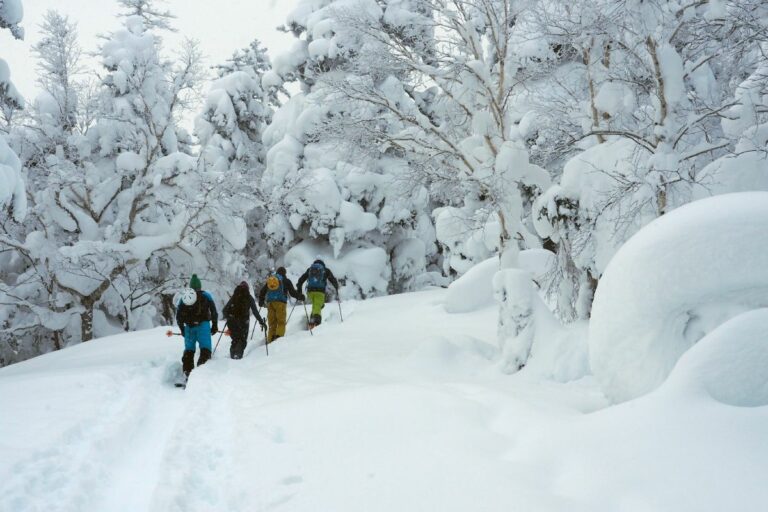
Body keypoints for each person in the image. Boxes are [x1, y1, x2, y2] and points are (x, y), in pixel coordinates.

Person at [176, 274, 218, 378]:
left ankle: (187, 373)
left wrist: (182, 329)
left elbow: (178, 316)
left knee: (189, 351)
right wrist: (214, 326)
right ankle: (201, 375)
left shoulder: (184, 298)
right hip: (203, 326)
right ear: (200, 286)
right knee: (205, 350)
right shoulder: (206, 295)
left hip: (189, 328)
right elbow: (214, 312)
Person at [223, 281, 267, 359]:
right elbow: (255, 312)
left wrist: (229, 318)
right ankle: (237, 356)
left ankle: (232, 356)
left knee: (235, 339)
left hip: (232, 321)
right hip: (243, 321)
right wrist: (261, 322)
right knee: (242, 340)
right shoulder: (249, 297)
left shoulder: (235, 296)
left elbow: (225, 310)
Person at [258, 267, 302, 344]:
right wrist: (300, 296)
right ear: (284, 273)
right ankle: (278, 341)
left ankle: (270, 340)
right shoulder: (286, 280)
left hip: (270, 303)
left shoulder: (271, 280)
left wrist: (261, 301)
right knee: (281, 322)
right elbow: (292, 293)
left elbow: (263, 291)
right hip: (280, 303)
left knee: (272, 324)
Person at [296, 259, 340, 328]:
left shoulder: (310, 269)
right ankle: (315, 322)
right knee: (318, 306)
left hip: (310, 292)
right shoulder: (325, 270)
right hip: (319, 292)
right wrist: (336, 287)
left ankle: (312, 320)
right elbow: (333, 279)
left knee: (316, 306)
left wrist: (299, 289)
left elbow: (301, 279)